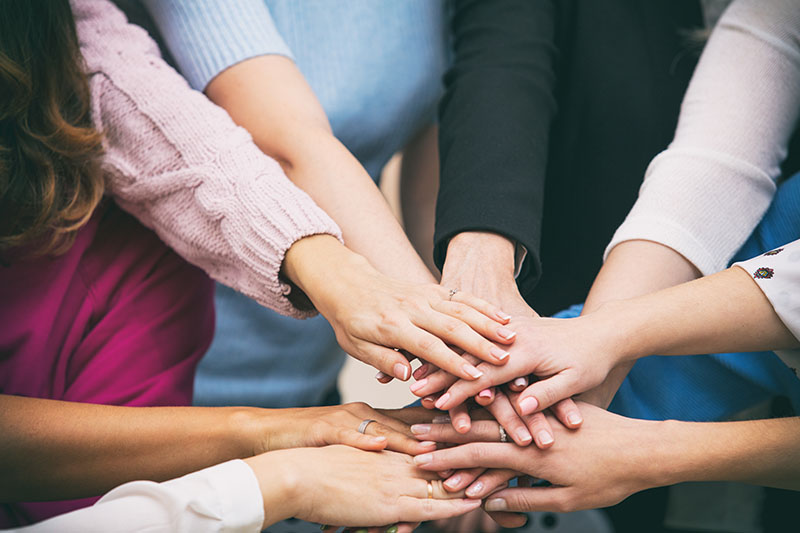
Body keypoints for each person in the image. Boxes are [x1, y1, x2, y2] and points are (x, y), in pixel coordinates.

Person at [0, 0, 510, 525]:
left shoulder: (79, 33)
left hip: (303, 399)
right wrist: (273, 454)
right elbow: (273, 145)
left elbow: (131, 95)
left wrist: (460, 386)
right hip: (151, 395)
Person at [138, 0, 455, 408]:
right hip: (158, 378)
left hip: (311, 381)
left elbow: (428, 198)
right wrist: (454, 345)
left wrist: (458, 341)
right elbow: (290, 147)